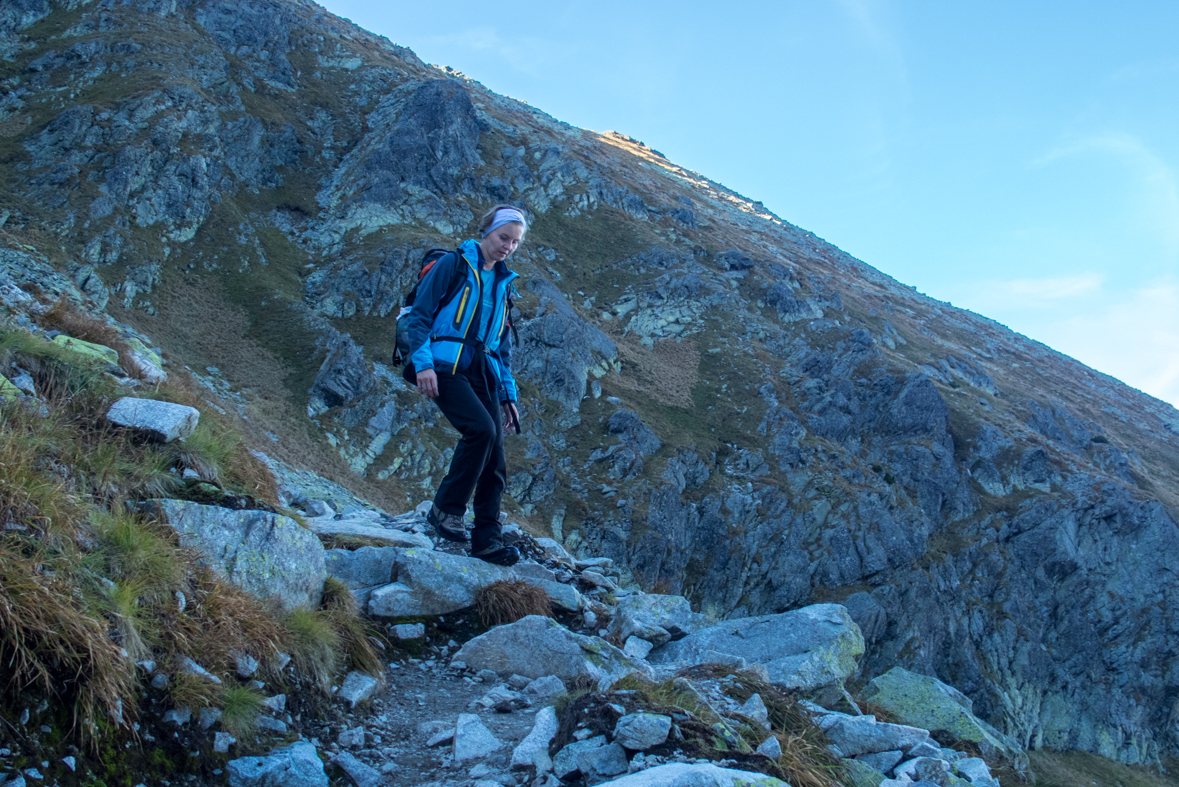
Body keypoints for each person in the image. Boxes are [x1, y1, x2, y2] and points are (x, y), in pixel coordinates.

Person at [403, 204, 526, 566]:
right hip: (444, 365)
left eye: (515, 242)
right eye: (504, 237)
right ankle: (445, 510)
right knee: (480, 430)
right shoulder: (453, 265)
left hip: (482, 369)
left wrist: (507, 396)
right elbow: (420, 317)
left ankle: (487, 540)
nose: (507, 247)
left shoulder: (503, 285)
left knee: (496, 457)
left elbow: (499, 349)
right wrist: (422, 365)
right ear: (487, 230)